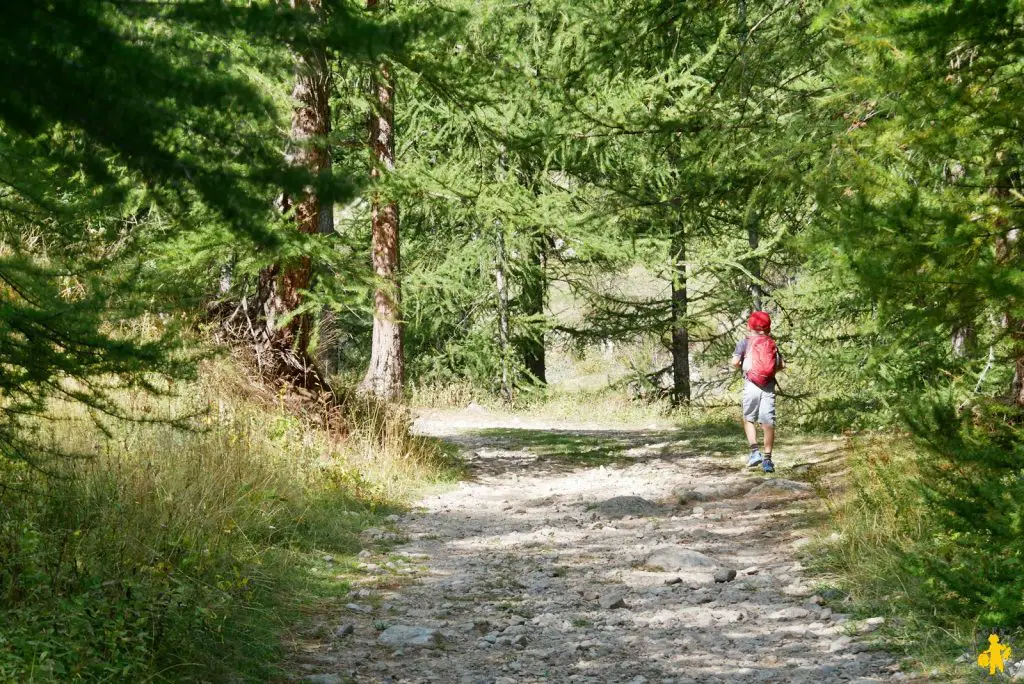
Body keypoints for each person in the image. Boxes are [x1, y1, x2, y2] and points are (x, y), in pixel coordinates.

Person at [730, 311, 784, 473]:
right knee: (768, 422)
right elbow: (781, 365)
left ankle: (755, 453)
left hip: (751, 384)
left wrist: (745, 368)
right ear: (768, 327)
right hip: (768, 386)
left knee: (748, 418)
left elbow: (734, 362)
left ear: (749, 326)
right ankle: (768, 460)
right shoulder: (771, 343)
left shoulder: (744, 343)